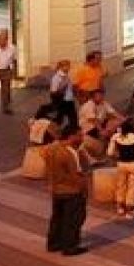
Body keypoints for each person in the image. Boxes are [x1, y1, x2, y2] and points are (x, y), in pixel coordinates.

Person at [44, 124, 90, 255]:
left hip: (57, 189)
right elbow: (77, 174)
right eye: (80, 135)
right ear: (72, 136)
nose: (82, 138)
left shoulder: (52, 148)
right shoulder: (71, 153)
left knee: (57, 218)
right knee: (73, 219)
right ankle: (70, 246)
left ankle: (53, 243)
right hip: (72, 191)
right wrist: (84, 190)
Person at [107, 118, 134, 219]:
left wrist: (117, 154)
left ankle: (120, 207)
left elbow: (110, 153)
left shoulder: (116, 137)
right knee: (133, 186)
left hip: (121, 163)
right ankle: (130, 210)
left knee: (121, 185)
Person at [49, 59, 77, 129]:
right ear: (61, 67)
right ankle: (53, 131)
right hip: (62, 101)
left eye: (69, 66)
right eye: (67, 66)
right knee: (61, 119)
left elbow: (70, 88)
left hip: (69, 99)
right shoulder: (57, 77)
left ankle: (72, 131)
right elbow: (53, 91)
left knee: (71, 118)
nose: (69, 67)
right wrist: (63, 87)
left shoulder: (66, 76)